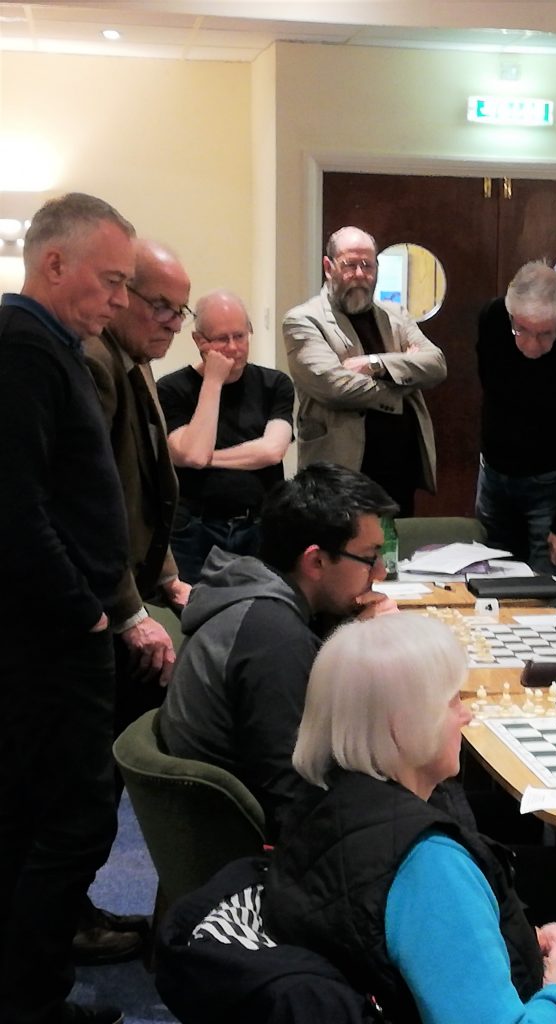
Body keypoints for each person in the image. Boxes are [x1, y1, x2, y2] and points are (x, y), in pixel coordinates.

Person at [263, 613, 556, 1024]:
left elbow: (388, 941)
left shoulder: (319, 803)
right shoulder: (427, 863)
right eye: (451, 701)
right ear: (403, 725)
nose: (465, 715)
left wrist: (506, 942)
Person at [0, 192, 134, 1024]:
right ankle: (29, 998)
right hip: (49, 640)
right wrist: (84, 611)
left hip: (55, 632)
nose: (119, 300)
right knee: (71, 819)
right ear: (55, 263)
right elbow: (14, 507)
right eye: (111, 280)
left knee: (49, 814)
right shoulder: (24, 349)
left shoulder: (46, 346)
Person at [159, 463, 398, 839]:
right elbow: (295, 798)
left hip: (235, 826)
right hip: (252, 852)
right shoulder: (273, 639)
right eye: (370, 557)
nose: (380, 573)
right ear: (316, 561)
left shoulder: (259, 600)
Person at [79, 239, 193, 965]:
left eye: (179, 312)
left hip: (134, 588)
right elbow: (99, 506)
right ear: (122, 297)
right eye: (161, 306)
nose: (171, 324)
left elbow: (150, 495)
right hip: (96, 609)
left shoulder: (138, 363)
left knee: (101, 782)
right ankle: (59, 930)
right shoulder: (95, 364)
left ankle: (72, 913)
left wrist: (171, 577)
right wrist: (130, 610)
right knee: (85, 786)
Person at [282, 226, 447, 515]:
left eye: (367, 265)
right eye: (349, 265)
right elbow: (336, 387)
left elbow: (436, 364)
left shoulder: (395, 315)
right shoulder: (304, 321)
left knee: (393, 553)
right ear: (328, 266)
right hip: (341, 471)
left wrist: (376, 364)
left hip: (398, 469)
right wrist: (405, 378)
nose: (359, 274)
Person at [476, 261, 556, 608]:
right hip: (494, 481)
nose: (531, 345)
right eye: (522, 330)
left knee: (547, 602)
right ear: (510, 316)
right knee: (491, 599)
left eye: (545, 333)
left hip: (552, 490)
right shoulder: (493, 320)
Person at [157, 289, 294, 583]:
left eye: (240, 336)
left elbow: (271, 451)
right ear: (199, 341)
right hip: (195, 529)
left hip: (260, 524)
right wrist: (214, 382)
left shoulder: (275, 384)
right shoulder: (170, 389)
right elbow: (191, 453)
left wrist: (207, 458)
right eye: (222, 339)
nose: (233, 348)